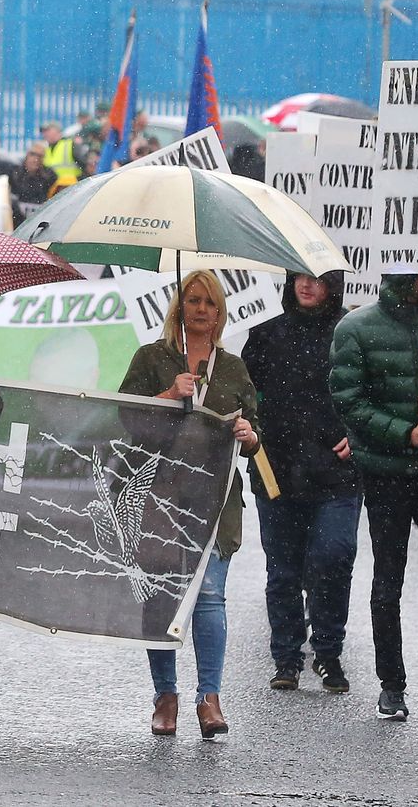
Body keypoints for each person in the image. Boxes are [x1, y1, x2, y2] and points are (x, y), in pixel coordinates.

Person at [330, 273, 418, 726]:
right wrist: (405, 433)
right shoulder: (355, 329)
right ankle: (391, 685)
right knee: (388, 578)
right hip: (385, 475)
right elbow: (349, 401)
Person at [121, 271, 259, 739]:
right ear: (180, 307)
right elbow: (124, 416)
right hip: (158, 494)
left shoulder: (234, 367)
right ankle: (166, 695)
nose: (202, 309)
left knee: (210, 596)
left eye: (211, 303)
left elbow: (256, 430)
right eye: (193, 300)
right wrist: (166, 395)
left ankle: (209, 697)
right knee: (161, 594)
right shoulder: (151, 358)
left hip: (216, 500)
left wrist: (250, 434)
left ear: (221, 314)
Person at [240, 271, 358, 694]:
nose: (308, 287)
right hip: (277, 468)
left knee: (333, 556)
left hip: (337, 470)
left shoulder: (351, 331)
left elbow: (370, 392)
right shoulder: (267, 331)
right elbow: (245, 394)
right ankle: (286, 656)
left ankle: (328, 651)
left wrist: (357, 431)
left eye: (319, 280)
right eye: (300, 278)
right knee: (284, 568)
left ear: (335, 285)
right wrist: (250, 432)